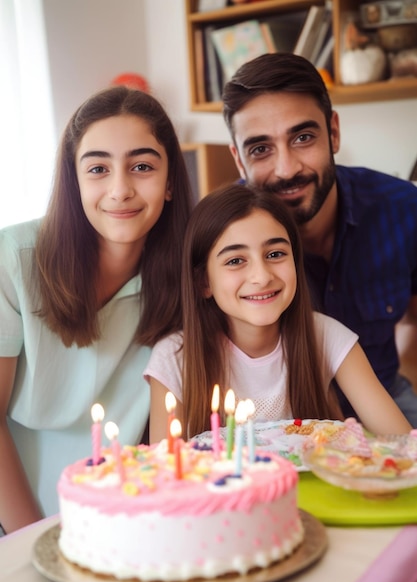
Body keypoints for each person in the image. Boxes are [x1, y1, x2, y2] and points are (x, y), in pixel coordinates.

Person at [0, 85, 192, 534]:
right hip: (15, 517)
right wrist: (30, 538)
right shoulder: (12, 261)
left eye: (142, 167)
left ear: (169, 185)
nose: (120, 190)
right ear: (76, 182)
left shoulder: (189, 273)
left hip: (123, 516)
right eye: (98, 169)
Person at [220, 52, 417, 427]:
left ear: (334, 132)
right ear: (238, 159)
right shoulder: (220, 238)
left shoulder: (405, 209)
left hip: (386, 395)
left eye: (303, 137)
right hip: (281, 422)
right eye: (260, 149)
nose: (286, 168)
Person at [145, 184, 411, 443]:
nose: (261, 276)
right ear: (204, 282)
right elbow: (165, 477)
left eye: (275, 254)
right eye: (235, 261)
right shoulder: (174, 357)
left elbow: (406, 447)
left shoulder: (328, 336)